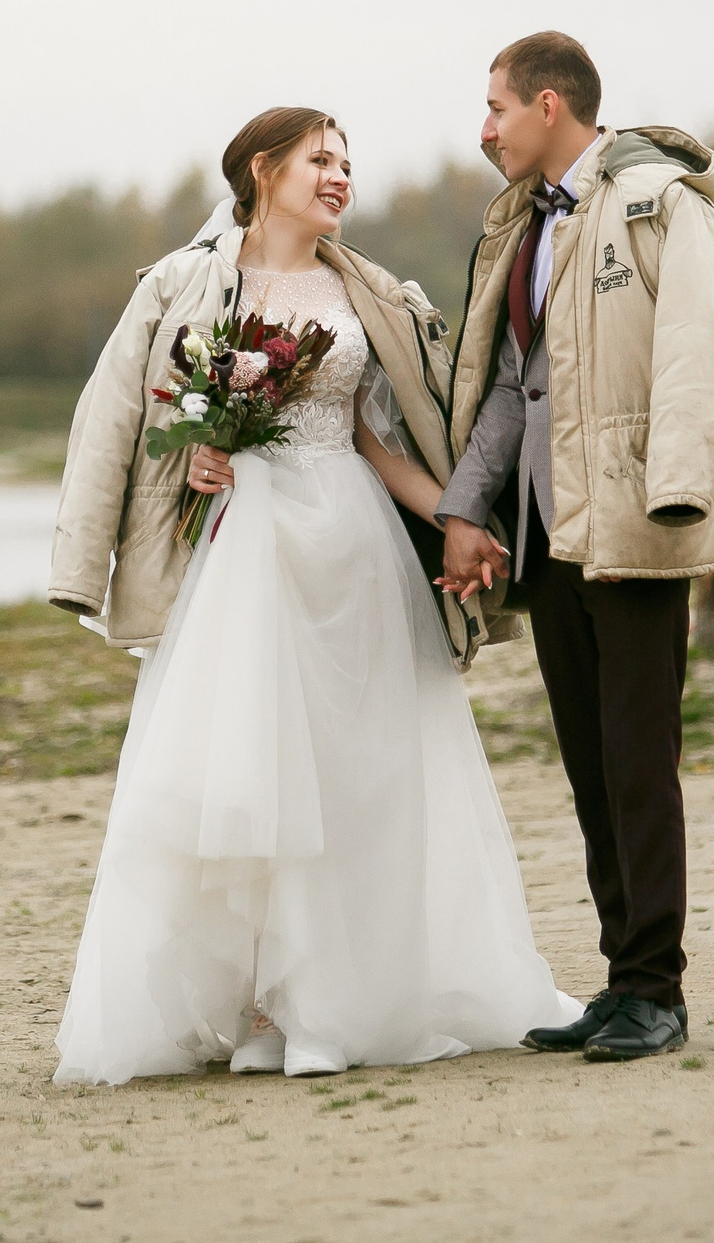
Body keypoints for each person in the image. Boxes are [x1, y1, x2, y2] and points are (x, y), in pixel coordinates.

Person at [47, 107, 576, 1085]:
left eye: (346, 162)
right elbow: (146, 416)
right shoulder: (197, 282)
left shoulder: (358, 289)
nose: (339, 176)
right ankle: (262, 1009)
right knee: (249, 774)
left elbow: (379, 443)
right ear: (264, 169)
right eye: (319, 160)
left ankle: (332, 1000)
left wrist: (462, 518)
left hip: (353, 548)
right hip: (247, 553)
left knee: (353, 771)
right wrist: (199, 447)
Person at [435, 31, 714, 1064]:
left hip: (632, 527)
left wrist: (675, 487)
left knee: (637, 762)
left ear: (546, 104)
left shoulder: (659, 202)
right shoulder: (525, 229)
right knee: (588, 765)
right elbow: (504, 384)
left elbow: (710, 344)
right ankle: (621, 978)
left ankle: (655, 989)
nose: (483, 129)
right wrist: (460, 507)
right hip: (547, 539)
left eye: (493, 107)